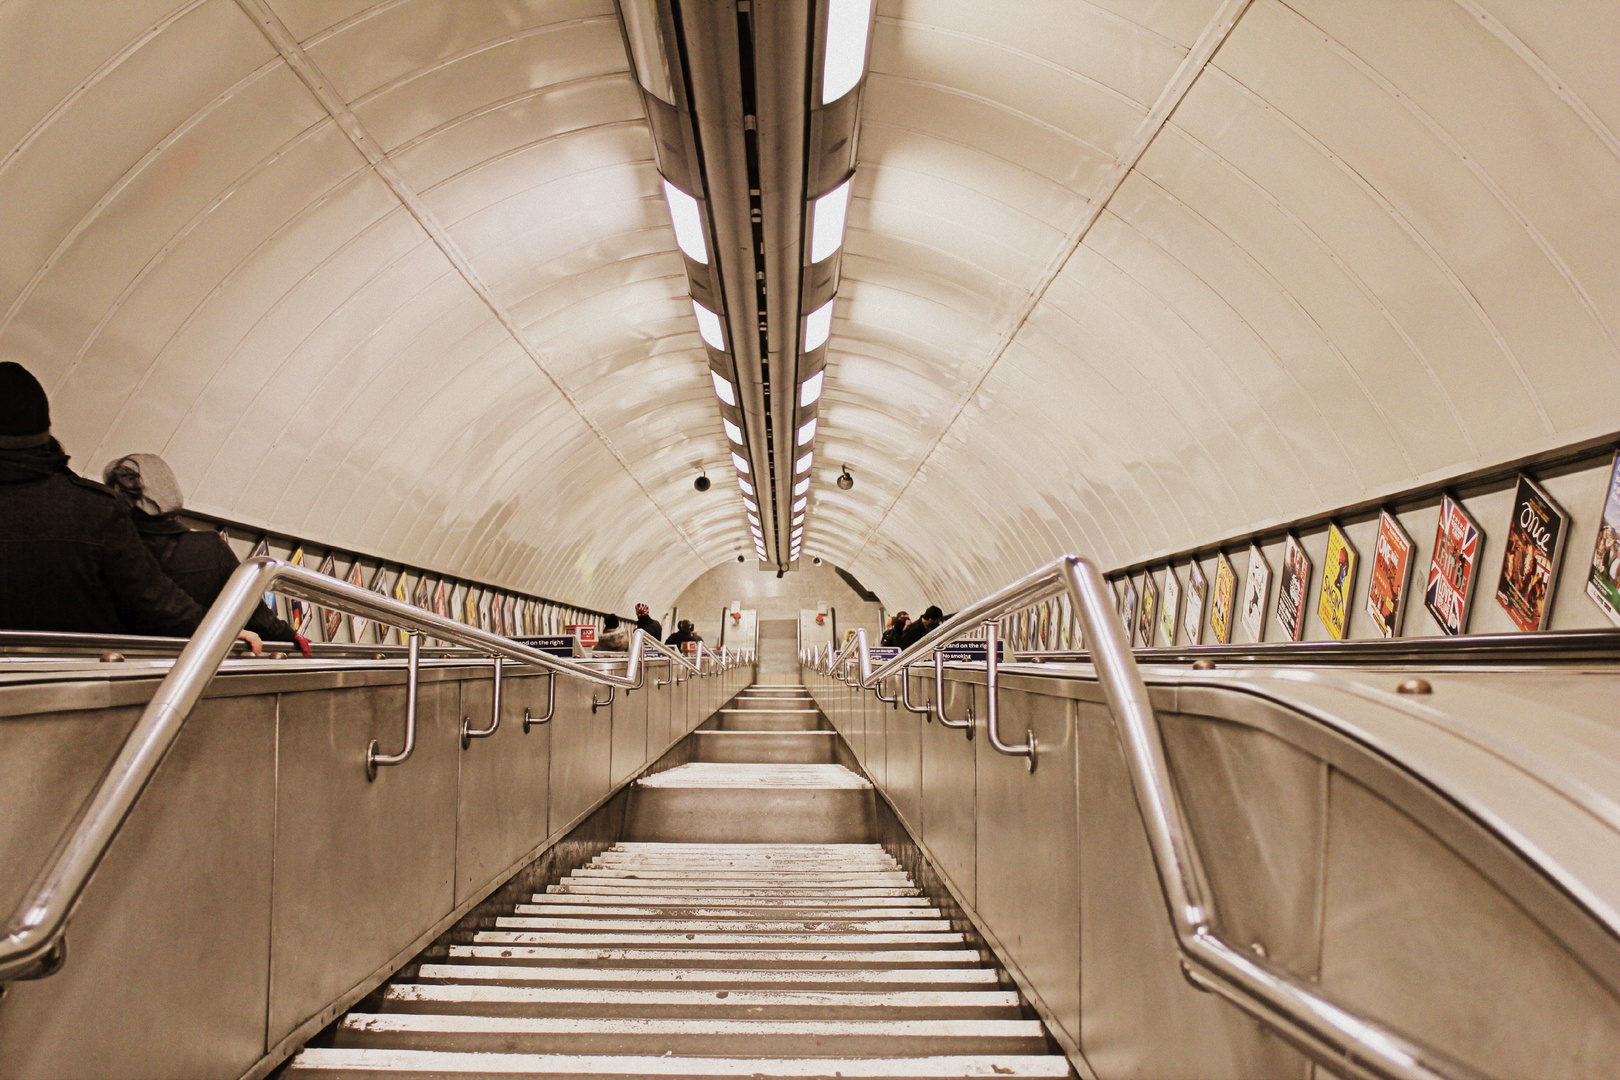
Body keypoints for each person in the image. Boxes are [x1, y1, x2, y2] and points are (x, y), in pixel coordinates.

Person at [0, 362, 260, 651]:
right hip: (81, 679)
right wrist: (219, 631)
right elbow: (152, 601)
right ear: (45, 427)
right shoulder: (94, 509)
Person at [103, 453, 306, 654]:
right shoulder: (209, 548)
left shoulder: (111, 549)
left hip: (122, 662)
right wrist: (289, 635)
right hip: (197, 663)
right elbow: (251, 612)